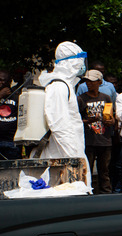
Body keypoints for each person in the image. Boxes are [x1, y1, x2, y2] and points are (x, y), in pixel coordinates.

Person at [37, 41, 92, 187]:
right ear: (72, 63)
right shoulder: (59, 86)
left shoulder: (65, 85)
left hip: (66, 150)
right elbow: (58, 124)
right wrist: (73, 158)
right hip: (61, 153)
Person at [77, 70, 114, 193]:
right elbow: (76, 121)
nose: (88, 84)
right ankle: (86, 192)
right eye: (87, 81)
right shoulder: (81, 99)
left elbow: (112, 117)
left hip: (105, 140)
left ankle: (106, 194)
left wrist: (110, 121)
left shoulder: (106, 97)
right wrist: (88, 121)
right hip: (89, 140)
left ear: (99, 82)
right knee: (87, 170)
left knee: (104, 170)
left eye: (92, 81)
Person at [0, 69, 21, 159]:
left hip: (11, 142)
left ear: (9, 82)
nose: (0, 83)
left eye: (3, 80)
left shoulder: (17, 96)